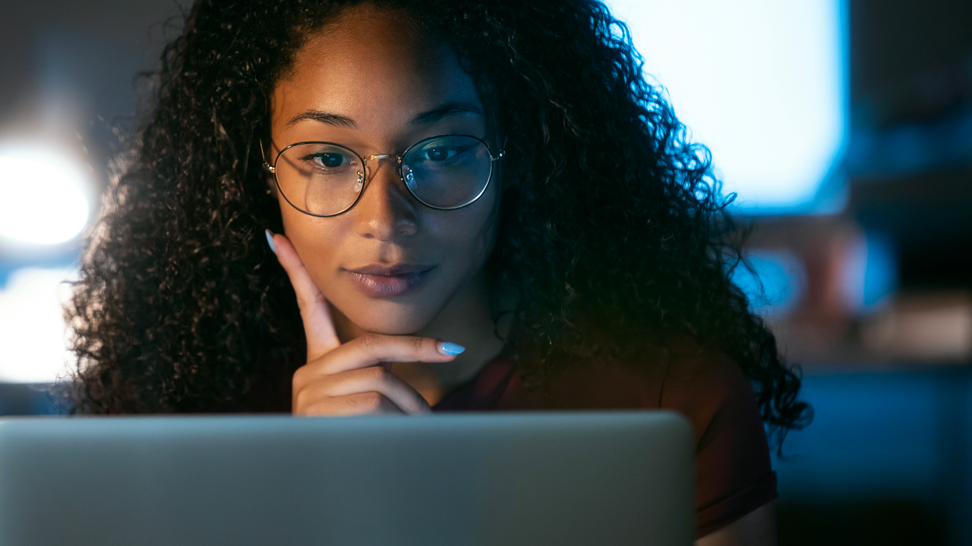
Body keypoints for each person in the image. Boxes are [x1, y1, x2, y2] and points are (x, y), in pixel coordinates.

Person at [64, 0, 812, 543]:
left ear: (521, 155)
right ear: (258, 174)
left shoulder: (670, 401)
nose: (386, 219)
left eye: (443, 151)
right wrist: (307, 500)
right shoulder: (173, 409)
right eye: (328, 159)